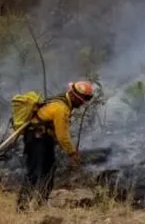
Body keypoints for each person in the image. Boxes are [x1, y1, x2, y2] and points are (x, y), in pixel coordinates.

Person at [17, 81, 95, 210]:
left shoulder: (61, 102)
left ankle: (41, 204)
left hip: (44, 139)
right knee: (34, 173)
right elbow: (62, 135)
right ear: (74, 97)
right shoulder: (61, 108)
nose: (81, 104)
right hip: (37, 140)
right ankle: (22, 207)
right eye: (81, 101)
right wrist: (72, 152)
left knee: (49, 171)